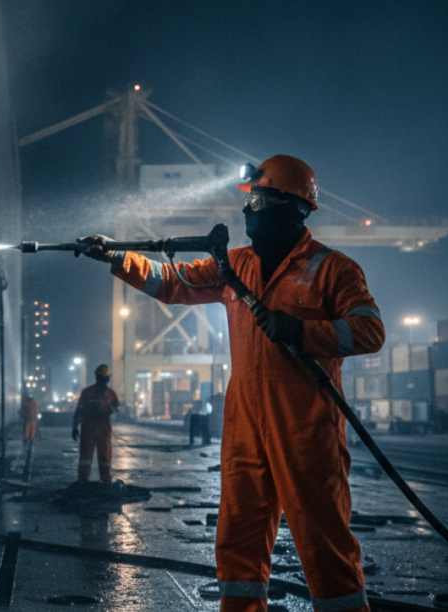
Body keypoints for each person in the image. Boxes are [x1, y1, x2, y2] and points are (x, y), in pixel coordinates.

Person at [78, 155, 384, 612]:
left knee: (324, 542)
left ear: (292, 207)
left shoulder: (334, 269)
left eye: (258, 200)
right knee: (237, 541)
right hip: (244, 427)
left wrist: (301, 329)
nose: (248, 211)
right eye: (249, 201)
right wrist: (117, 255)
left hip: (306, 430)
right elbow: (172, 281)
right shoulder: (233, 264)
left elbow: (369, 331)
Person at [72, 364, 120, 483]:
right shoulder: (90, 393)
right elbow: (79, 411)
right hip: (91, 429)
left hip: (98, 429)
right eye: (102, 378)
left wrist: (75, 427)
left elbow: (117, 409)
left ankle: (105, 479)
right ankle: (83, 480)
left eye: (105, 379)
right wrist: (74, 427)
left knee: (103, 456)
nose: (104, 381)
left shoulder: (109, 394)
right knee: (86, 457)